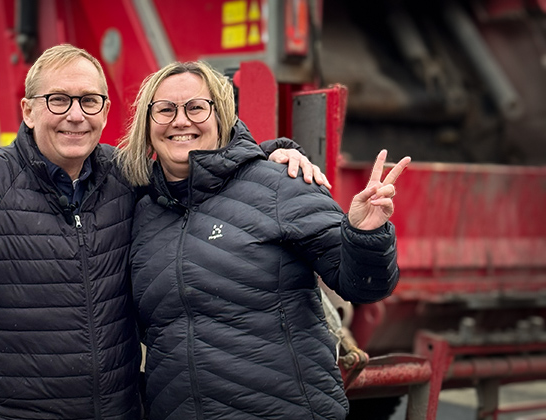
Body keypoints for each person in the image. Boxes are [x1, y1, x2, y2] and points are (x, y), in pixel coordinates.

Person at [0, 44, 325, 420]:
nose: (75, 114)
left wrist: (273, 155)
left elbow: (200, 171)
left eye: (89, 100)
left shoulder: (127, 175)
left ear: (104, 109)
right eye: (58, 99)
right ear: (29, 110)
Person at [116, 61, 410, 420]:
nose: (181, 121)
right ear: (146, 126)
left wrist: (365, 235)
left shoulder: (279, 185)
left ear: (222, 116)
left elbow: (363, 286)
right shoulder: (141, 212)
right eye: (165, 109)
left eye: (196, 107)